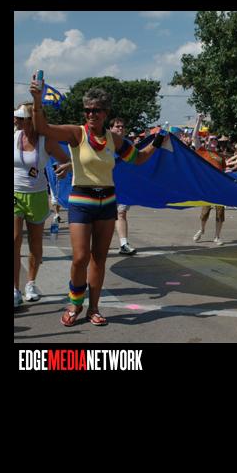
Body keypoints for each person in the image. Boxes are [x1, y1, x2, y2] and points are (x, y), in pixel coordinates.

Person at [30, 77, 166, 327]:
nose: (91, 114)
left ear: (105, 112)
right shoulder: (76, 133)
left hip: (107, 201)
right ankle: (75, 303)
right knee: (80, 257)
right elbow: (42, 128)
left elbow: (138, 159)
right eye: (88, 110)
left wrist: (157, 142)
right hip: (81, 200)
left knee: (99, 259)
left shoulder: (114, 139)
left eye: (96, 110)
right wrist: (37, 101)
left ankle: (93, 308)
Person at [14, 103, 72, 308]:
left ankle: (31, 284)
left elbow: (67, 160)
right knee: (14, 240)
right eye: (16, 117)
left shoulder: (46, 141)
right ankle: (15, 290)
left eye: (20, 118)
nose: (15, 120)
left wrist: (64, 168)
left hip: (38, 196)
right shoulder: (14, 136)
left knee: (35, 244)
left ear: (31, 120)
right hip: (15, 194)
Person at [192, 113, 226, 245]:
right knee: (205, 213)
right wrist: (199, 121)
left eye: (215, 140)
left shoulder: (221, 156)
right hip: (207, 187)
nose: (214, 141)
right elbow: (194, 137)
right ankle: (201, 230)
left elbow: (224, 171)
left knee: (220, 213)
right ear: (207, 141)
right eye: (211, 139)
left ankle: (217, 237)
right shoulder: (202, 151)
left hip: (219, 187)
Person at [109, 117, 137, 255]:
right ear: (110, 129)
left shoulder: (128, 144)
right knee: (103, 217)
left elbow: (137, 160)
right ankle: (97, 243)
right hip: (104, 184)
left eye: (122, 126)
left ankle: (123, 243)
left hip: (122, 186)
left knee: (121, 213)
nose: (120, 128)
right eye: (117, 126)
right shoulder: (104, 143)